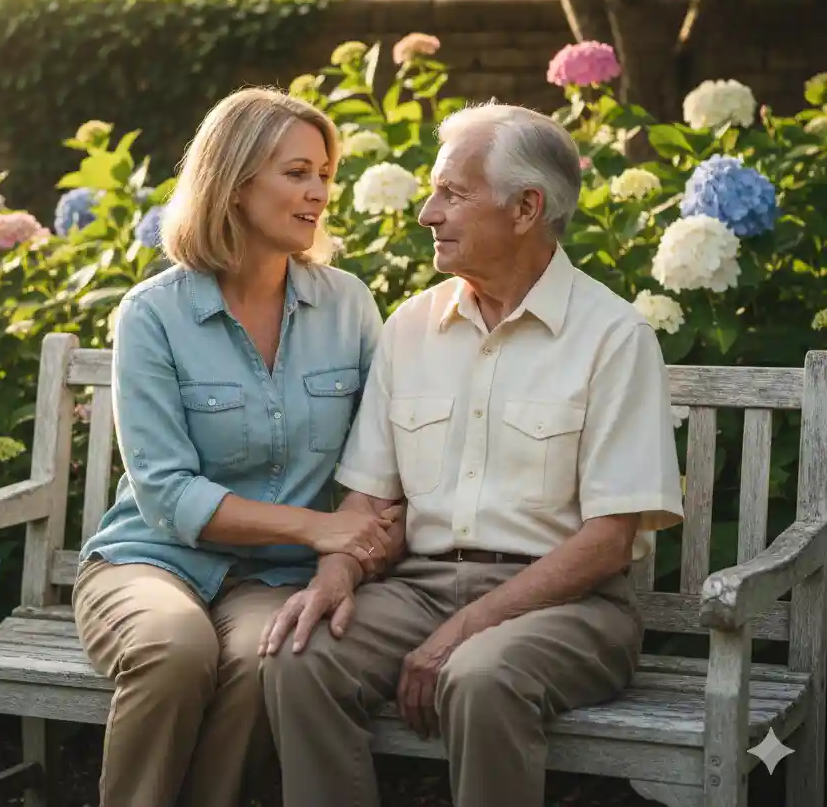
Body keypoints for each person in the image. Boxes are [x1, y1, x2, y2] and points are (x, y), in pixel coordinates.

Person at [258, 102, 685, 807]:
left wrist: (468, 625)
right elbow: (368, 500)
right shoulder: (411, 327)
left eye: (453, 194)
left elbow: (608, 542)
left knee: (480, 677)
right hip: (419, 589)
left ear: (526, 209)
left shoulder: (613, 337)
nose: (428, 214)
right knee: (301, 658)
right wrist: (335, 574)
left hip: (569, 606)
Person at [73, 87, 402, 807]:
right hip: (152, 560)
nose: (318, 192)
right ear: (234, 182)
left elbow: (380, 460)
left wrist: (338, 553)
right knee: (173, 649)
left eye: (324, 174)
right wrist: (316, 527)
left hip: (276, 580)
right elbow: (166, 493)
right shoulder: (152, 314)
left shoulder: (347, 304)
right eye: (296, 173)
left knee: (267, 657)